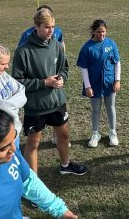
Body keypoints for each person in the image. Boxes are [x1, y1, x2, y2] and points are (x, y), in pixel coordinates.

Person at [12, 10, 87, 176]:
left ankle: (65, 165)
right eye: (47, 27)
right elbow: (17, 81)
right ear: (36, 26)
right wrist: (44, 82)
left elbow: (64, 68)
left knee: (64, 135)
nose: (51, 31)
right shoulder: (23, 51)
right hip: (36, 107)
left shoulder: (57, 46)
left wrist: (62, 78)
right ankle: (33, 184)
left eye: (53, 27)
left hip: (57, 103)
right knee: (33, 144)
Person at [77, 19, 121, 147]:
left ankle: (113, 133)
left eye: (104, 32)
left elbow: (117, 62)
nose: (102, 35)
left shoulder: (111, 44)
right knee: (95, 109)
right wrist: (87, 86)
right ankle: (95, 134)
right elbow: (83, 68)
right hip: (94, 84)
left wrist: (117, 80)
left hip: (109, 83)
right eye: (99, 32)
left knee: (111, 107)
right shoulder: (87, 48)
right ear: (93, 32)